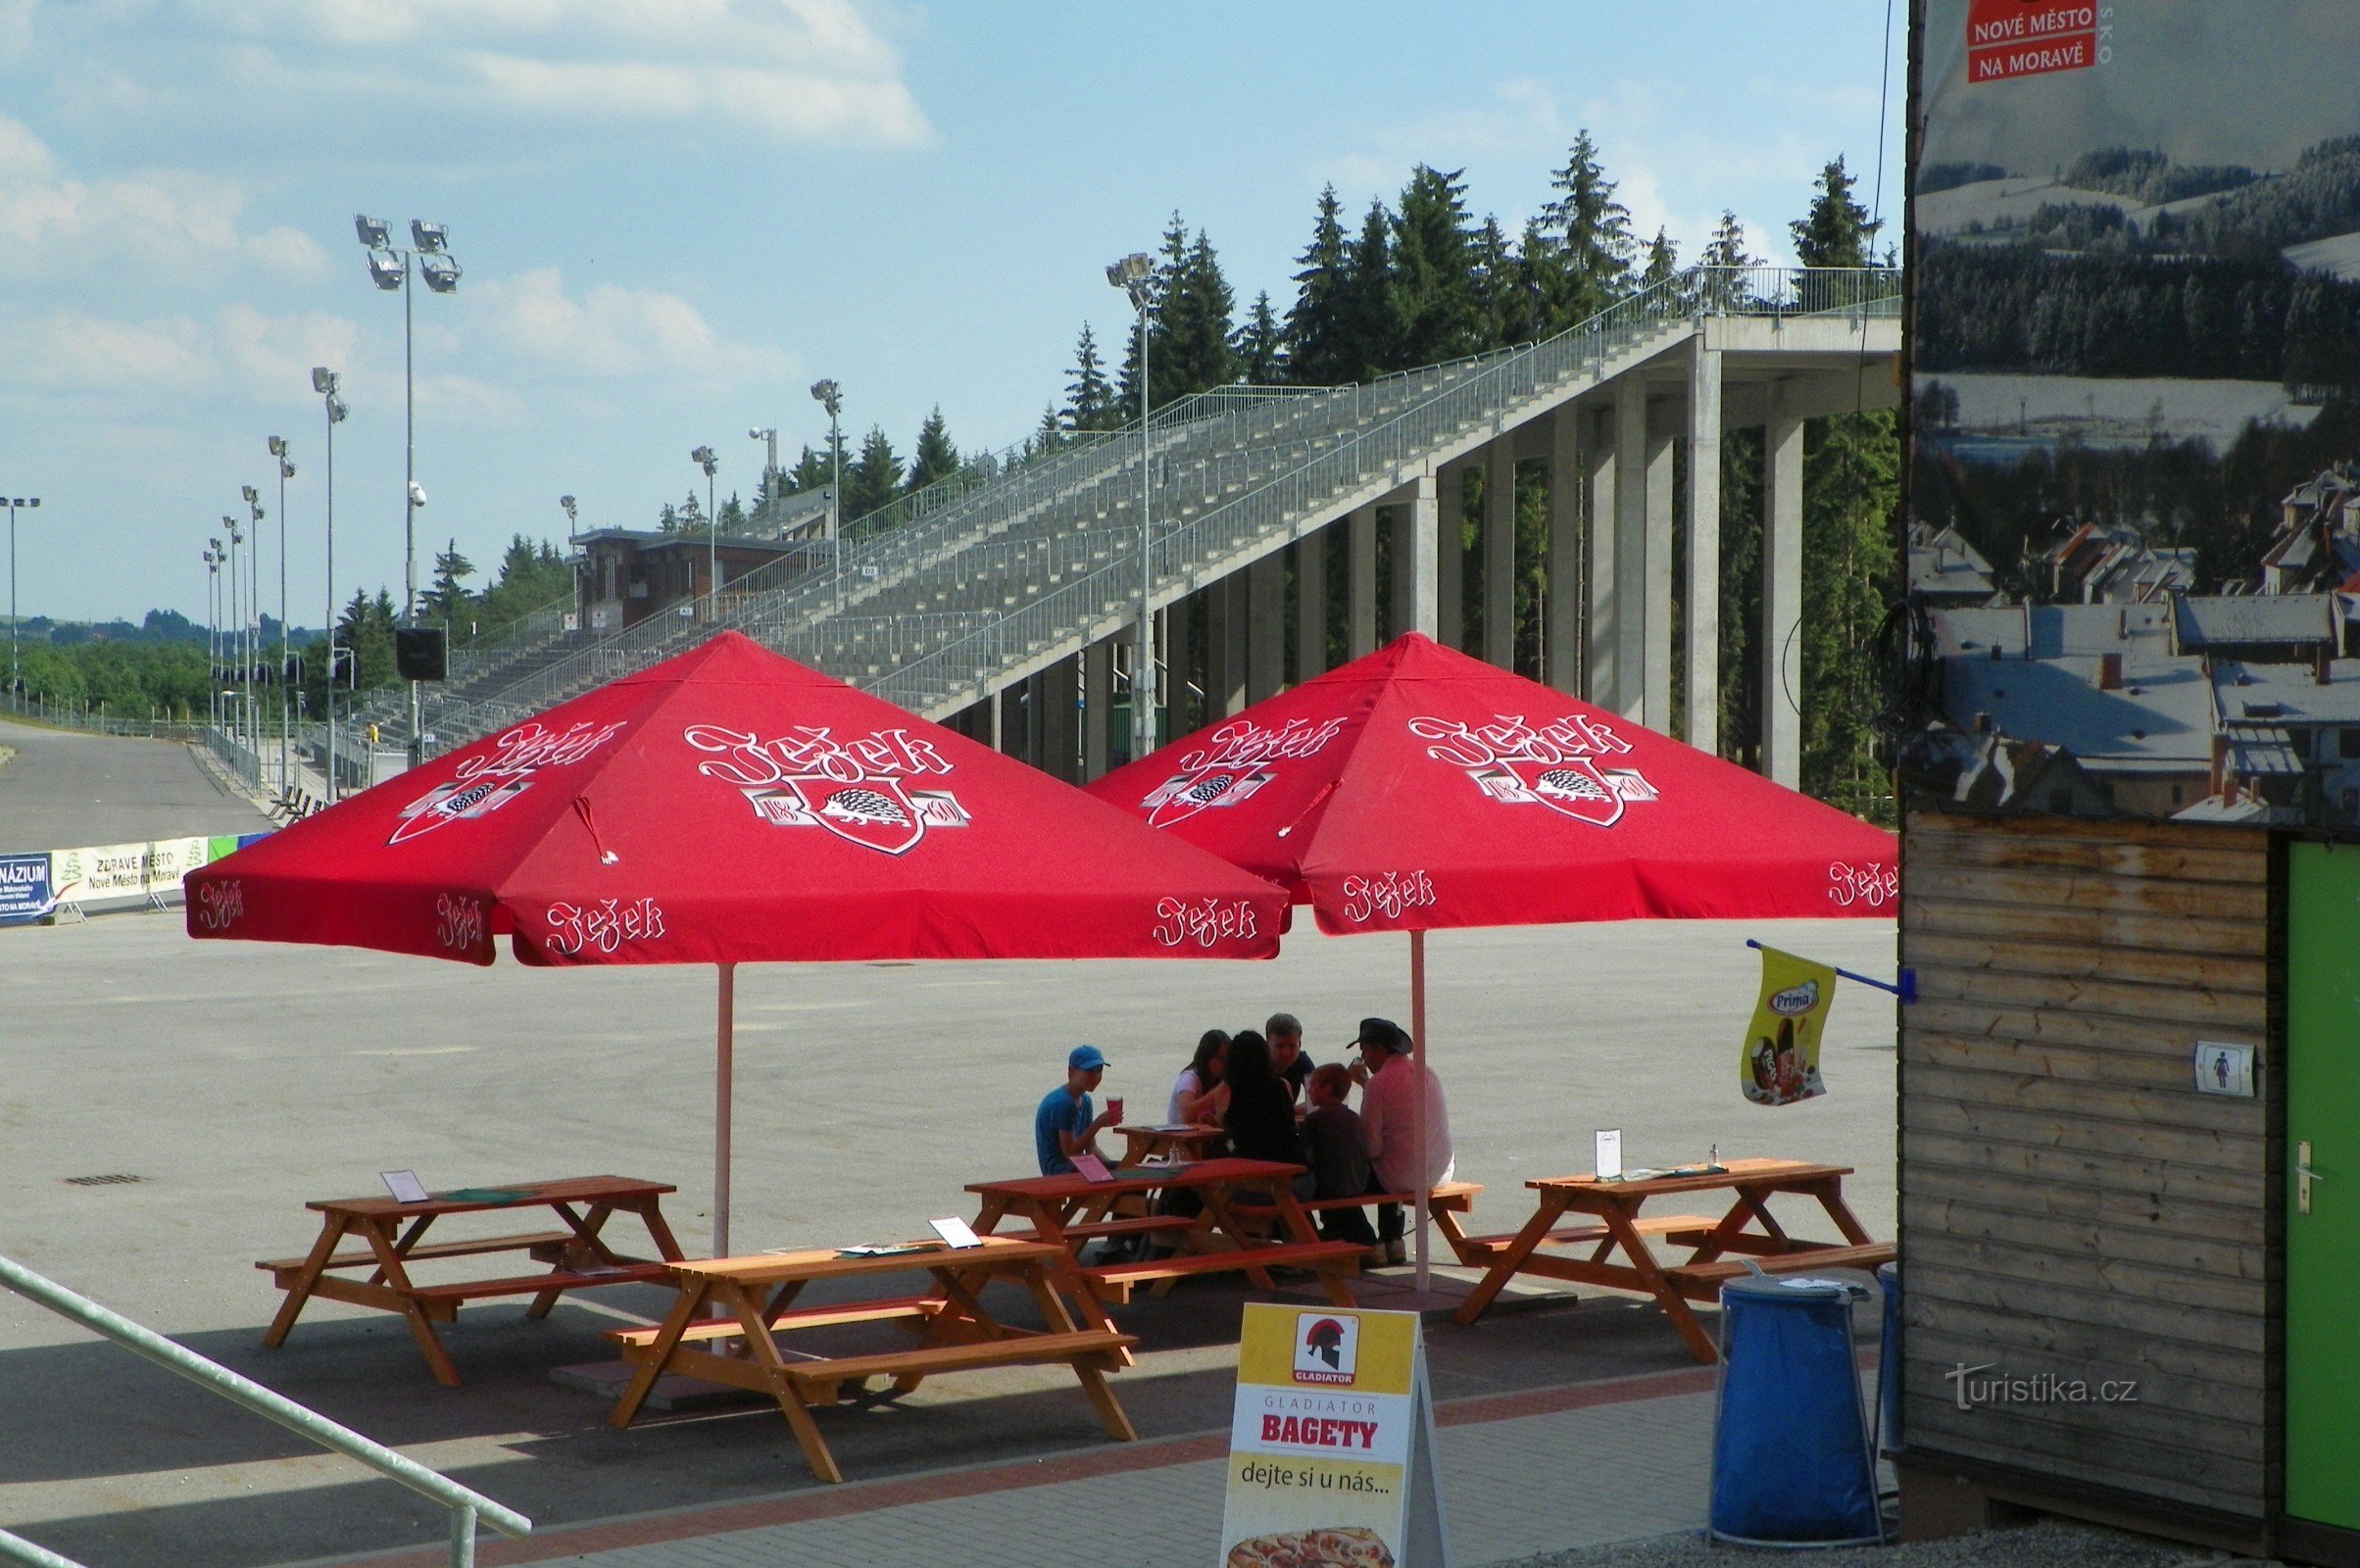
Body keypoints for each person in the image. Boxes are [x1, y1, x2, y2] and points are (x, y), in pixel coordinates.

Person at [1348, 1017, 1453, 1264]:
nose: (1365, 1059)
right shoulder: (1427, 1073)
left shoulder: (1379, 1083)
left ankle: (1368, 1242)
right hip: (1439, 1171)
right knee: (1396, 1156)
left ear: (1380, 1050)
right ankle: (1394, 1239)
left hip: (1403, 1176)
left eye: (1365, 1052)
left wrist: (1362, 1084)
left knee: (1346, 1176)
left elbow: (1372, 1147)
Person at [1222, 1030, 1315, 1200]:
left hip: (1265, 1185)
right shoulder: (1282, 1085)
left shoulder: (1228, 1091)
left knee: (1217, 1193)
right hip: (1302, 1181)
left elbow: (1229, 1128)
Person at [1300, 1063, 1377, 1248]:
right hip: (1358, 1182)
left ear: (1327, 1089)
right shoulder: (1353, 1117)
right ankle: (1355, 1237)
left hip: (1331, 1187)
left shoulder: (1314, 1120)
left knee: (1302, 1185)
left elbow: (1305, 1156)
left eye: (1313, 1085)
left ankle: (1316, 1236)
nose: (1309, 1090)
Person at [1035, 1044, 1118, 1177]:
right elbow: (1069, 1153)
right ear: (1072, 1071)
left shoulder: (1085, 1101)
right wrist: (1098, 1124)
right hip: (1059, 1169)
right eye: (1089, 1071)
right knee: (1110, 1179)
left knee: (1128, 1173)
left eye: (1099, 1070)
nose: (1096, 1077)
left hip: (1080, 1163)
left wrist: (1113, 1165)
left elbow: (1091, 1148)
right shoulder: (1063, 1103)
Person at [1169, 1029, 1230, 1125]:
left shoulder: (1218, 1080)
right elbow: (1187, 1115)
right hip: (1179, 1138)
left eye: (1228, 1059)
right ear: (1207, 1058)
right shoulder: (1189, 1078)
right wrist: (1218, 1092)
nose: (1226, 1064)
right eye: (1221, 1059)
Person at [1266, 1012, 1315, 1105]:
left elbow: (1318, 1103)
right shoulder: (1257, 1062)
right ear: (1267, 1044)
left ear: (1299, 1045)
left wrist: (1288, 1111)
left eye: (1292, 1046)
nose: (1286, 1052)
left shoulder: (1303, 1062)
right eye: (1279, 1046)